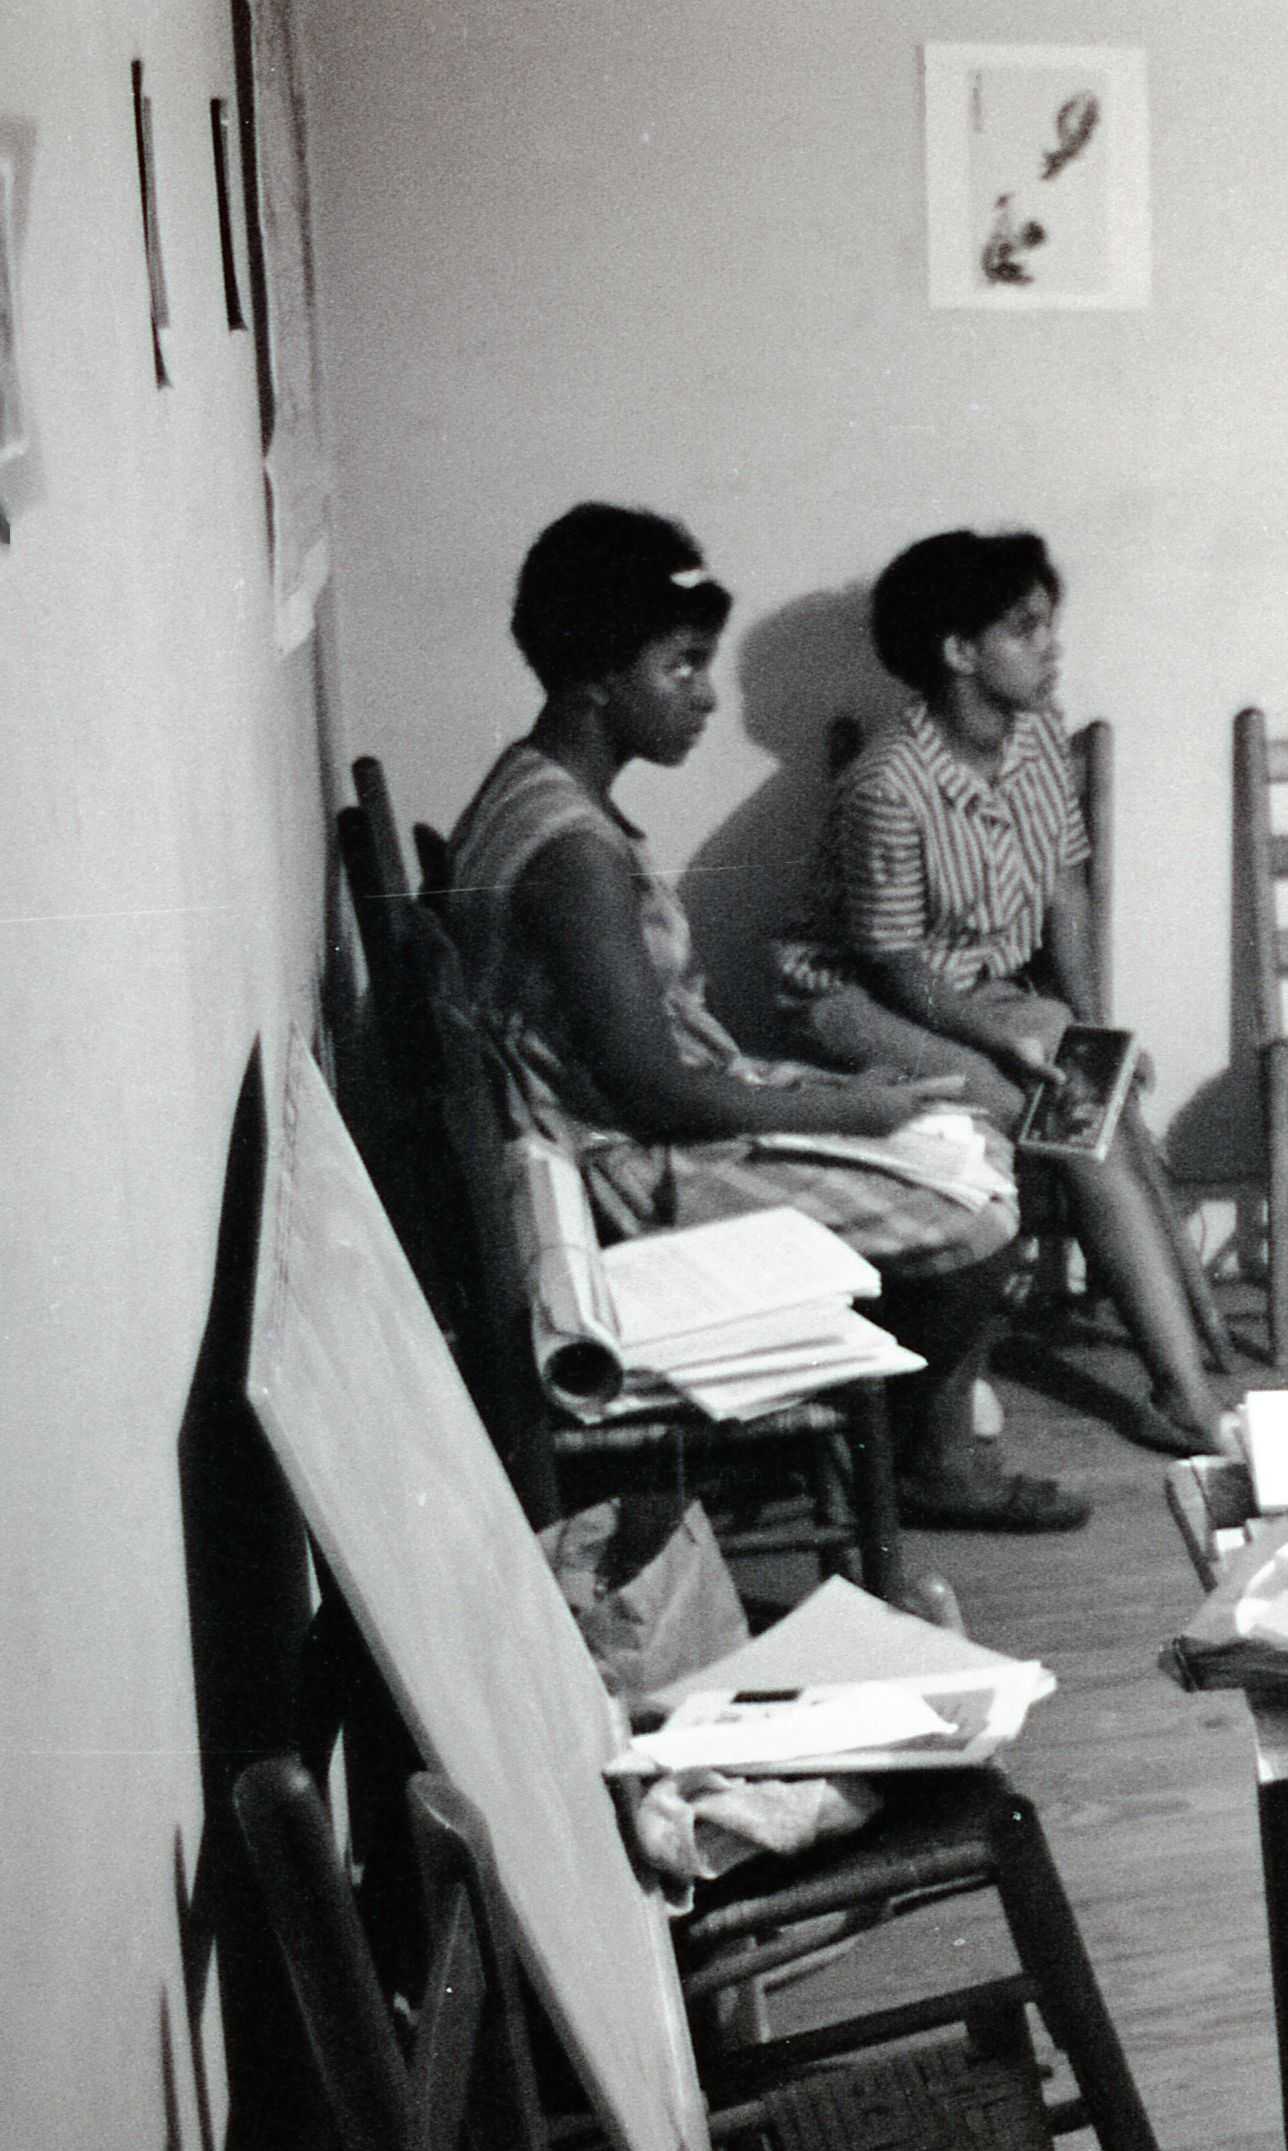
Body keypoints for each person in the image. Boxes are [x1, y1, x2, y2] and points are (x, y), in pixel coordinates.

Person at [445, 502, 1087, 1531]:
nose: (702, 697)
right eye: (682, 667)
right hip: (618, 1168)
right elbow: (652, 1092)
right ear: (600, 677)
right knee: (976, 1215)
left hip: (623, 1124)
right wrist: (849, 1113)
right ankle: (926, 1458)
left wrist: (843, 1101)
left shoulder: (533, 787)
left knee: (966, 1134)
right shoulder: (571, 855)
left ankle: (907, 1424)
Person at [774, 527, 1233, 1458]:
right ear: (957, 653)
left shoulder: (1035, 738)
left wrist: (1095, 1027)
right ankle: (1010, 1379)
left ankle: (1182, 1390)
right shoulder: (887, 788)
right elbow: (895, 967)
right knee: (1039, 1105)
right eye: (1025, 629)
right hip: (858, 998)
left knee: (1083, 1101)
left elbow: (1064, 887)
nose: (1051, 645)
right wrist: (1007, 1042)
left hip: (981, 988)